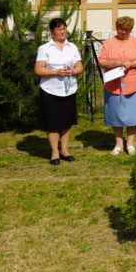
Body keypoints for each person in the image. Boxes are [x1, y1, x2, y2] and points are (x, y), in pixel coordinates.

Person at [34, 18, 84, 165]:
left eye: (64, 28)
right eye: (58, 29)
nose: (62, 31)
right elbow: (38, 69)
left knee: (67, 121)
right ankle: (54, 152)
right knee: (52, 122)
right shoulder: (45, 48)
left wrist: (74, 70)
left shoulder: (72, 47)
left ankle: (65, 150)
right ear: (52, 32)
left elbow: (80, 67)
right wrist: (56, 72)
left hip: (69, 89)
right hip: (50, 90)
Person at [98, 16, 136, 155]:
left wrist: (130, 64)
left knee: (133, 114)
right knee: (115, 113)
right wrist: (120, 63)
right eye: (121, 29)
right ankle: (118, 144)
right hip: (113, 84)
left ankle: (130, 143)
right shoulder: (108, 43)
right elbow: (102, 62)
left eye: (126, 30)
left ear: (131, 29)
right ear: (116, 27)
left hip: (134, 82)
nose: (123, 32)